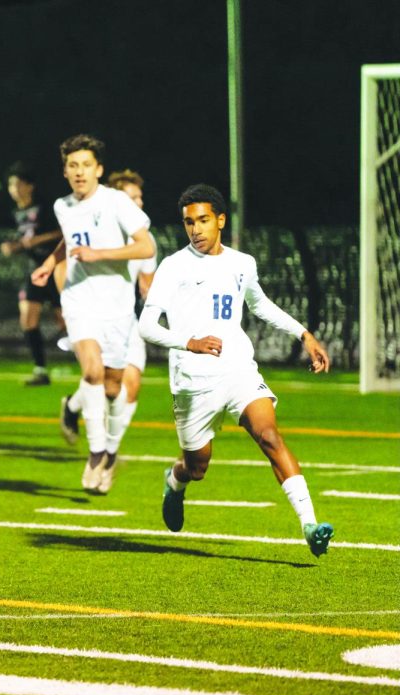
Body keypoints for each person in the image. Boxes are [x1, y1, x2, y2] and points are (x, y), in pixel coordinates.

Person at [138, 184, 334, 556]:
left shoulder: (242, 263)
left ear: (221, 220)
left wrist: (304, 334)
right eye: (188, 222)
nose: (195, 229)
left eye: (203, 220)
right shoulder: (173, 266)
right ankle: (175, 481)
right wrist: (189, 342)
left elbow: (260, 305)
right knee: (198, 466)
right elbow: (146, 326)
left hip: (238, 370)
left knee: (269, 435)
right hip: (192, 381)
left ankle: (310, 525)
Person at [32, 135, 156, 492]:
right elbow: (71, 241)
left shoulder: (117, 202)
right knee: (92, 369)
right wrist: (49, 262)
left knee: (115, 387)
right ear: (65, 171)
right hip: (79, 298)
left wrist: (98, 255)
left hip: (117, 307)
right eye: (73, 165)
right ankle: (96, 452)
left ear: (99, 169)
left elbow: (145, 245)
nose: (80, 172)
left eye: (86, 165)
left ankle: (110, 452)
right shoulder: (62, 206)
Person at [59, 169, 158, 491]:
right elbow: (64, 255)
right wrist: (66, 302)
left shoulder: (144, 238)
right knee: (95, 373)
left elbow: (148, 283)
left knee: (122, 389)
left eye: (140, 198)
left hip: (125, 320)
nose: (138, 204)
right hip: (92, 314)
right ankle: (102, 453)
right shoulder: (95, 225)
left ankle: (78, 414)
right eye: (132, 198)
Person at [0, 162, 64, 386]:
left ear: (30, 186)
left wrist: (35, 241)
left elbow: (61, 233)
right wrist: (12, 246)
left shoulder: (45, 207)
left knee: (65, 322)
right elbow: (24, 240)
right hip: (34, 272)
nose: (14, 189)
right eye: (11, 185)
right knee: (27, 318)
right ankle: (40, 370)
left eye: (18, 184)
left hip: (55, 270)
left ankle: (94, 361)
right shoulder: (16, 212)